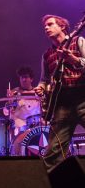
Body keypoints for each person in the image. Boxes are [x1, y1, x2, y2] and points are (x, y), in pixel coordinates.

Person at [34, 14, 85, 171]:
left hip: (83, 98)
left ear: (62, 26)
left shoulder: (78, 41)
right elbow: (44, 79)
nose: (46, 28)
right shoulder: (47, 54)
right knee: (53, 152)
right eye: (45, 26)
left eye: (50, 24)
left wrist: (74, 60)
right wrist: (41, 87)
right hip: (62, 105)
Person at [3, 66, 40, 137]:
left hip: (36, 128)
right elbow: (6, 113)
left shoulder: (37, 93)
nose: (23, 79)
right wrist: (9, 102)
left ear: (31, 79)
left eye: (26, 77)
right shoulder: (14, 93)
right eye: (21, 77)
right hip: (20, 129)